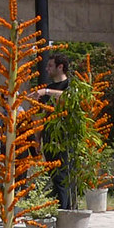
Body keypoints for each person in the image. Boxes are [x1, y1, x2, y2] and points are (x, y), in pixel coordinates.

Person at [36, 54, 71, 209]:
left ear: (60, 67)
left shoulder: (69, 84)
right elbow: (41, 115)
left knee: (62, 176)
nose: (46, 69)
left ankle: (64, 211)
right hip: (49, 137)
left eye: (50, 66)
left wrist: (46, 92)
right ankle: (59, 211)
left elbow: (69, 98)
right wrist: (37, 139)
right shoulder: (48, 89)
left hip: (64, 136)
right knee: (53, 175)